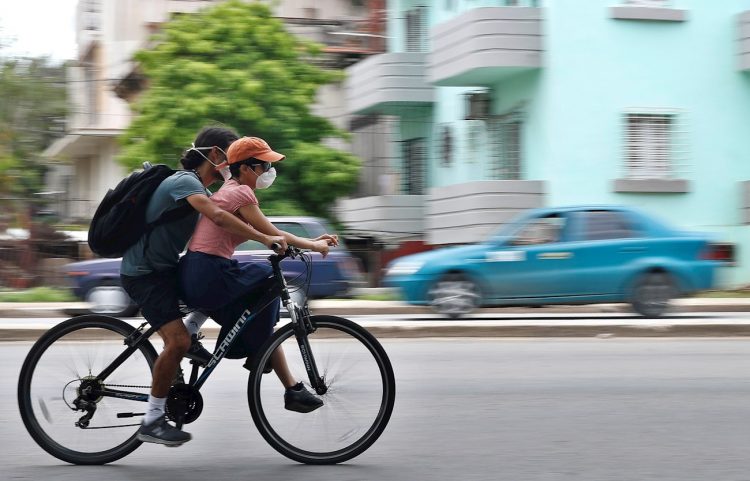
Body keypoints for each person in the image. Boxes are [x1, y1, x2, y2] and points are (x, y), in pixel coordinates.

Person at [119, 127, 287, 447]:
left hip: (165, 270)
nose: (234, 161)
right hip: (144, 274)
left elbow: (227, 223)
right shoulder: (186, 182)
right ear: (215, 155)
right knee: (178, 341)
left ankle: (201, 339)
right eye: (230, 154)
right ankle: (152, 420)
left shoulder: (207, 191)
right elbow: (219, 217)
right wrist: (266, 239)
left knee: (215, 288)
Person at [177, 136, 338, 413]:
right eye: (264, 166)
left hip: (201, 271)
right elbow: (272, 233)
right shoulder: (241, 193)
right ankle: (258, 354)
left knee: (258, 303)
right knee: (266, 278)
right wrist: (314, 245)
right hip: (208, 271)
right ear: (248, 168)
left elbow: (270, 231)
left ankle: (287, 383)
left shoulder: (231, 188)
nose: (268, 172)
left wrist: (306, 242)